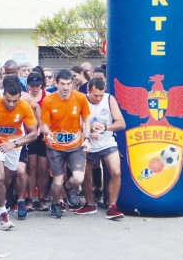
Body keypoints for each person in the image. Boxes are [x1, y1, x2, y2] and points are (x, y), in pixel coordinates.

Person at [0, 78, 37, 230]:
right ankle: (4, 215)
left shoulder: (25, 107)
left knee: (7, 180)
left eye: (14, 101)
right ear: (3, 95)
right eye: (8, 100)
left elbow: (34, 133)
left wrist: (14, 144)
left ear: (19, 98)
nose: (11, 104)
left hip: (14, 144)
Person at [41, 69, 92, 219]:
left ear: (73, 83)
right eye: (62, 84)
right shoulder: (48, 100)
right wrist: (47, 132)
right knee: (57, 181)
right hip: (55, 145)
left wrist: (87, 139)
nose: (65, 87)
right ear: (56, 83)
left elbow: (86, 120)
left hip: (75, 144)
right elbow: (44, 124)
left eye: (68, 84)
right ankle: (56, 204)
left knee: (78, 178)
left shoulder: (80, 98)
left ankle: (69, 188)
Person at [77, 78, 125, 219]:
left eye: (101, 95)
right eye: (95, 95)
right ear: (88, 91)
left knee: (116, 171)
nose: (98, 98)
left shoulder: (109, 99)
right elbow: (75, 122)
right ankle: (90, 204)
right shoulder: (81, 100)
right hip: (88, 142)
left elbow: (121, 123)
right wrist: (89, 129)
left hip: (107, 142)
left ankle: (112, 206)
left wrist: (105, 127)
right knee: (85, 175)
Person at [25, 72, 51, 211]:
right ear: (28, 85)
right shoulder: (25, 97)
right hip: (30, 134)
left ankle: (41, 198)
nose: (35, 88)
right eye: (32, 85)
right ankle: (30, 198)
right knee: (31, 168)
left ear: (41, 85)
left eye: (37, 85)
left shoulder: (47, 96)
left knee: (42, 169)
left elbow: (49, 115)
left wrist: (43, 127)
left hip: (43, 135)